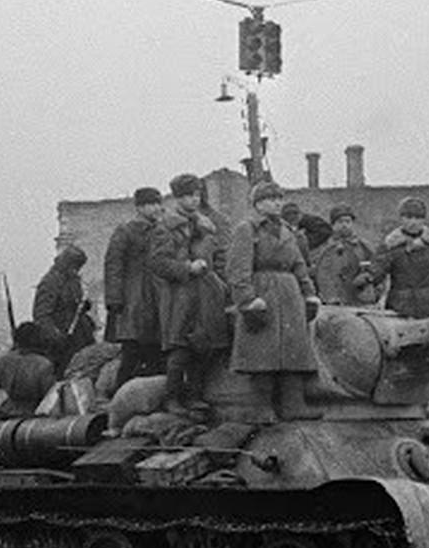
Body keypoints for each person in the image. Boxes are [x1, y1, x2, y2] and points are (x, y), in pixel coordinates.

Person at [227, 180, 323, 420]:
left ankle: (294, 405)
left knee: (294, 351)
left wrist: (309, 294)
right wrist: (248, 300)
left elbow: (300, 265)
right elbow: (238, 269)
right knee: (262, 352)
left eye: (280, 198)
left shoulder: (288, 231)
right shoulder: (247, 229)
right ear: (258, 204)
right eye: (271, 199)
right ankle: (261, 407)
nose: (277, 203)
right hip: (263, 293)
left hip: (290, 295)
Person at [361, 195, 429, 413]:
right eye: (408, 216)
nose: (413, 222)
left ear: (424, 220)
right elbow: (379, 269)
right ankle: (411, 406)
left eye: (418, 217)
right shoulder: (391, 247)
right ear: (400, 219)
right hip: (403, 310)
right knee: (406, 361)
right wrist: (367, 278)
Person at [149, 172, 232, 417]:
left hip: (207, 292)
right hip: (179, 294)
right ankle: (172, 397)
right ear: (176, 198)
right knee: (180, 348)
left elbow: (218, 258)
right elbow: (158, 262)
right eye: (187, 196)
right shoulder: (165, 228)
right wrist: (186, 268)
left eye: (197, 195)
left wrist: (224, 284)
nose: (194, 200)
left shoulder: (207, 227)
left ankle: (194, 395)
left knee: (205, 345)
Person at [103, 186, 165, 386]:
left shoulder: (161, 231)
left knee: (157, 351)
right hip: (133, 298)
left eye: (158, 203)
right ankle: (120, 398)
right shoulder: (125, 231)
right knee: (132, 352)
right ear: (139, 207)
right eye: (150, 204)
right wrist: (114, 300)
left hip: (157, 295)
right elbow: (114, 265)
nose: (156, 208)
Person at [32, 244, 94, 377]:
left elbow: (73, 304)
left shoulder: (73, 280)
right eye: (74, 266)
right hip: (60, 344)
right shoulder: (50, 282)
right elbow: (41, 316)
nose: (76, 271)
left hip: (79, 338)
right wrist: (55, 335)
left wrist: (83, 306)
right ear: (66, 263)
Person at [310, 203, 375, 306]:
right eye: (340, 222)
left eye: (348, 221)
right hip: (331, 301)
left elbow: (377, 268)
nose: (344, 225)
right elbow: (317, 273)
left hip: (358, 300)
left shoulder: (364, 247)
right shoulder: (323, 248)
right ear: (333, 224)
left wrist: (367, 277)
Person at [0, 322, 58, 419]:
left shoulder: (4, 361)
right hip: (33, 415)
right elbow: (50, 394)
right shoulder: (44, 364)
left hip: (5, 413)